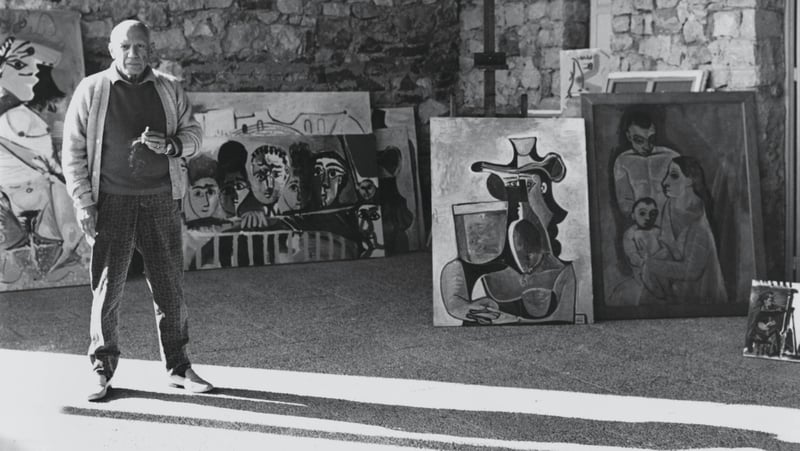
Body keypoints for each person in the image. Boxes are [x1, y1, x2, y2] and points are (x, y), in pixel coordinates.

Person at [61, 20, 213, 401]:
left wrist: (173, 145)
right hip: (111, 202)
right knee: (107, 289)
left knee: (169, 287)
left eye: (141, 47)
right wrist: (83, 202)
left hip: (161, 199)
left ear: (150, 50)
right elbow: (73, 152)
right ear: (112, 50)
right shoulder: (93, 90)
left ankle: (178, 367)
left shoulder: (169, 88)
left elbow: (194, 135)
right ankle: (101, 370)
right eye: (125, 47)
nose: (133, 54)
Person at [640, 156, 727, 304]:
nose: (664, 182)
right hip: (672, 289)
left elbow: (692, 271)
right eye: (667, 175)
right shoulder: (669, 206)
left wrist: (652, 264)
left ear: (690, 179)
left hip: (700, 295)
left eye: (673, 176)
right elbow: (667, 245)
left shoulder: (700, 223)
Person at [613, 110, 680, 217]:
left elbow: (683, 192)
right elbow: (625, 202)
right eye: (639, 140)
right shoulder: (622, 161)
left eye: (651, 139)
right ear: (629, 136)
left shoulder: (672, 157)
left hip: (671, 220)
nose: (647, 146)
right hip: (641, 223)